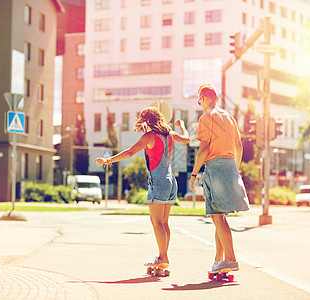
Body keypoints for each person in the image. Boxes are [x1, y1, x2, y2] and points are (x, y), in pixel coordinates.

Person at [94, 107, 189, 268]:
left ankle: (163, 257)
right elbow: (186, 139)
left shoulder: (150, 136)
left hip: (158, 180)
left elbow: (130, 152)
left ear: (147, 121)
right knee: (164, 222)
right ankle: (163, 256)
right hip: (171, 180)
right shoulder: (170, 135)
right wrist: (182, 127)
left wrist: (108, 161)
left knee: (156, 222)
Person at [189, 84, 250, 274]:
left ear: (206, 98)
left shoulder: (207, 118)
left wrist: (193, 174)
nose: (199, 103)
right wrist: (236, 168)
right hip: (231, 165)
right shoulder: (229, 118)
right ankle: (219, 260)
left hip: (215, 167)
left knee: (216, 215)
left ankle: (230, 259)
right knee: (220, 217)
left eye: (200, 99)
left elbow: (204, 148)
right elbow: (239, 145)